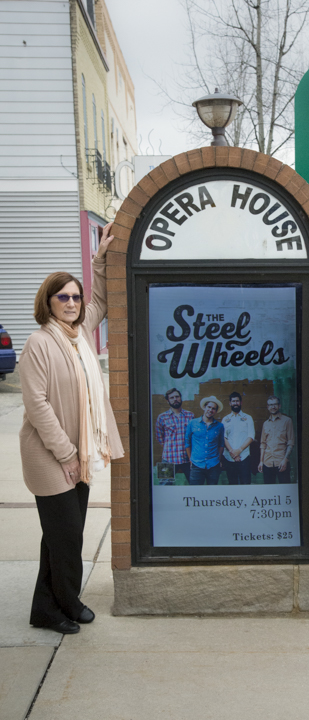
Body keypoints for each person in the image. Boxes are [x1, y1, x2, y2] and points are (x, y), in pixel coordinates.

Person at [18, 223, 124, 635]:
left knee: (60, 535)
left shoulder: (80, 335)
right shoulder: (39, 343)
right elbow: (37, 405)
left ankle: (46, 606)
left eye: (75, 296)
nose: (72, 302)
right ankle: (66, 602)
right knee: (67, 539)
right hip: (50, 456)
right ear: (48, 301)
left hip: (77, 453)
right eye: (63, 296)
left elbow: (102, 299)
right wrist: (65, 455)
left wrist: (100, 261)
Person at [155, 388, 194, 483]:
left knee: (195, 484)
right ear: (168, 401)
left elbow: (193, 436)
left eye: (177, 396)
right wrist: (169, 448)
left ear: (181, 398)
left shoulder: (190, 415)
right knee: (164, 485)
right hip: (168, 459)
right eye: (172, 398)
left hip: (188, 459)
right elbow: (159, 437)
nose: (175, 399)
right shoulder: (162, 417)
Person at [185, 396, 225, 485]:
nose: (210, 410)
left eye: (213, 408)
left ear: (216, 411)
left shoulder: (220, 426)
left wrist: (218, 459)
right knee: (195, 492)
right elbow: (187, 442)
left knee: (212, 493)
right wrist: (191, 459)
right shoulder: (192, 423)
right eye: (209, 407)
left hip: (213, 465)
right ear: (205, 407)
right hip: (197, 464)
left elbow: (221, 444)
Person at [258, 396, 294, 484]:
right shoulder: (265, 424)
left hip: (281, 462)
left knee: (284, 489)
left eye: (275, 404)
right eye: (270, 405)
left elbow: (291, 442)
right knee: (269, 491)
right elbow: (263, 444)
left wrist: (285, 460)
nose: (273, 407)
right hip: (267, 463)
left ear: (279, 406)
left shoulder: (287, 421)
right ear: (267, 407)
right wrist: (261, 462)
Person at [222, 392, 255, 485]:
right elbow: (223, 437)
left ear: (241, 402)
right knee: (232, 485)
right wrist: (232, 452)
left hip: (243, 458)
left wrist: (239, 451)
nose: (235, 403)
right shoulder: (225, 419)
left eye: (237, 401)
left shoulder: (248, 418)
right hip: (229, 458)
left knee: (245, 484)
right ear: (230, 403)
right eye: (233, 401)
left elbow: (251, 437)